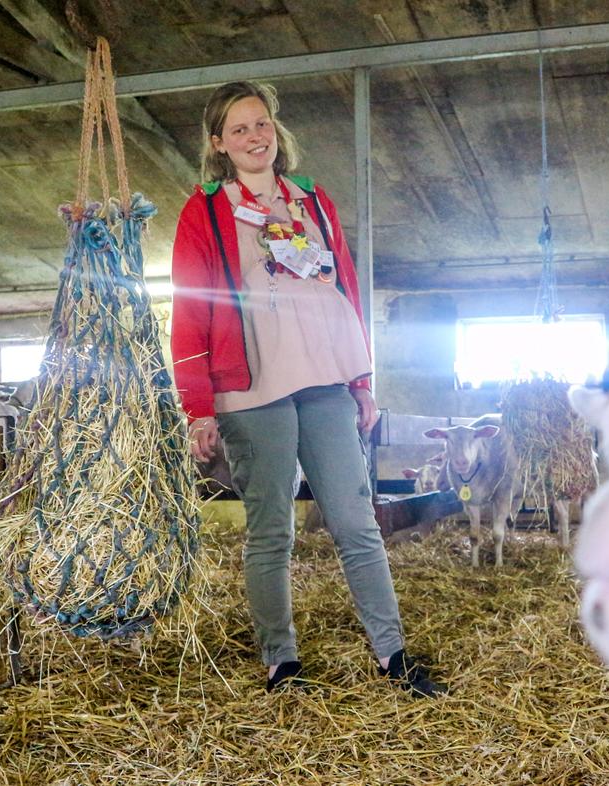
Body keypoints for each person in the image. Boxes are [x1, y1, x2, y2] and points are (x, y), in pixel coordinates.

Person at [170, 81, 446, 697]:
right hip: (252, 387)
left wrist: (362, 379)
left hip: (324, 379)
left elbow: (343, 288)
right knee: (274, 529)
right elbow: (190, 310)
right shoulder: (205, 209)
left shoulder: (311, 201)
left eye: (261, 124)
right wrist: (197, 406)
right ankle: (282, 661)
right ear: (219, 143)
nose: (253, 137)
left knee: (356, 521)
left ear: (276, 132)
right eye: (238, 129)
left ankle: (393, 654)